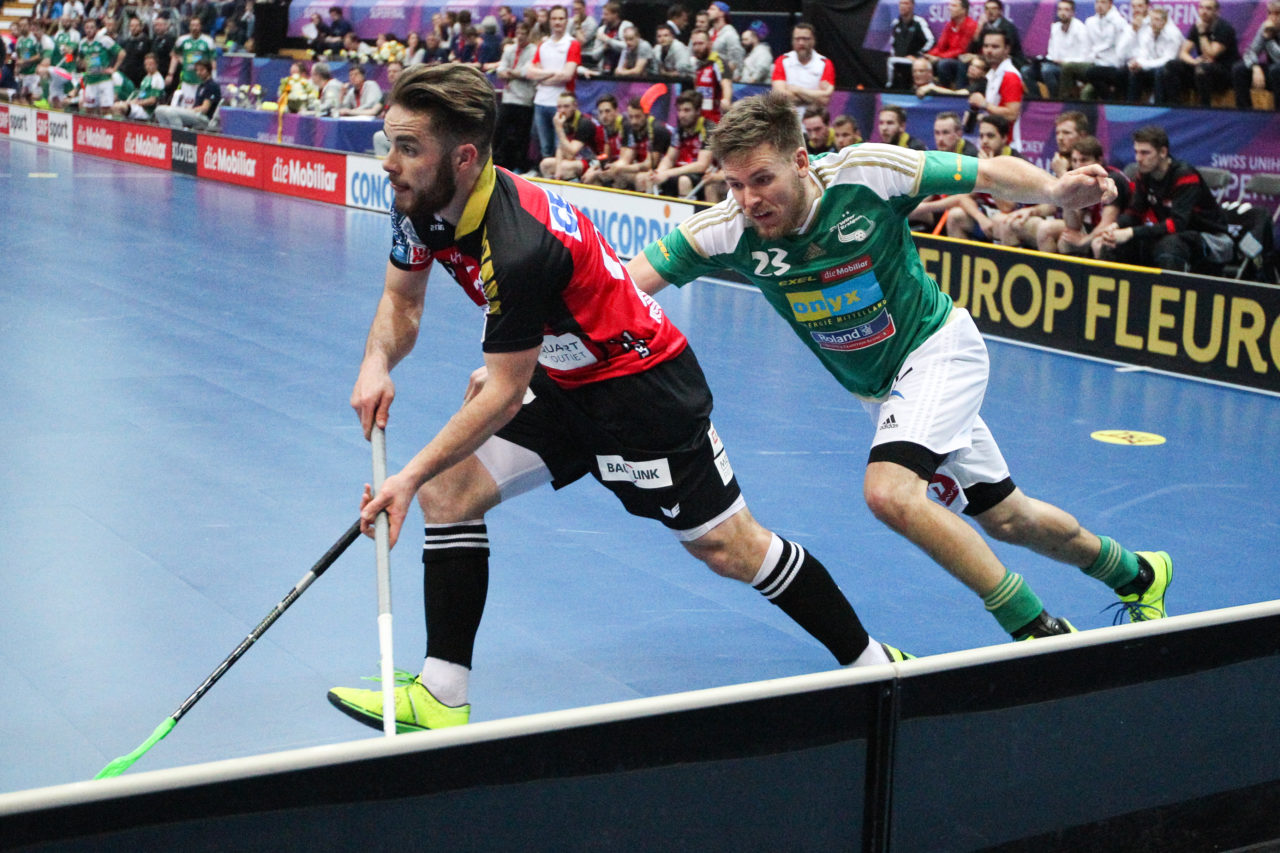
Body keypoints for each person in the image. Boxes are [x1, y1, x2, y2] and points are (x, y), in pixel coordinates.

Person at [326, 65, 908, 733]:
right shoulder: (423, 205)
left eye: (408, 148)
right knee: (451, 491)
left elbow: (504, 394)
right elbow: (402, 300)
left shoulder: (517, 245)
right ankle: (441, 694)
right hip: (562, 374)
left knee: (731, 548)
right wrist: (376, 362)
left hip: (642, 394)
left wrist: (404, 475)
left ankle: (874, 663)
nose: (391, 164)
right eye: (388, 142)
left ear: (462, 158)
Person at [627, 92, 1173, 646]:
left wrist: (1055, 191)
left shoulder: (867, 172)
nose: (749, 199)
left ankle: (1036, 631)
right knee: (1009, 519)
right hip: (884, 393)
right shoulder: (726, 229)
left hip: (938, 351)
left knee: (889, 492)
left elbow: (986, 172)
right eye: (736, 184)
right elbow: (621, 286)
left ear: (800, 161)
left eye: (762, 179)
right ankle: (1138, 573)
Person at [1094, 125, 1232, 274]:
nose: (1138, 159)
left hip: (1212, 239)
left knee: (1169, 245)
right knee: (1114, 244)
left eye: (1145, 153)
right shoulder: (1144, 175)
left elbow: (1176, 224)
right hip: (1177, 236)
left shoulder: (1184, 175)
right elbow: (1134, 214)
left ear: (1163, 152)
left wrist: (1130, 232)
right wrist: (1116, 227)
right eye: (1136, 152)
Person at [1041, 135, 1130, 256]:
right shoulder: (1083, 182)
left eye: (1083, 160)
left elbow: (1107, 223)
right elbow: (1073, 225)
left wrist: (1083, 240)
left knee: (1098, 244)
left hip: (1121, 231)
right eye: (1074, 161)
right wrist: (1065, 185)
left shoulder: (1112, 179)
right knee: (1064, 239)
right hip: (1095, 227)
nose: (1078, 166)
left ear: (1099, 160)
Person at [945, 113, 1022, 242]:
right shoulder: (978, 158)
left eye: (990, 136)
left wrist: (990, 172)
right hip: (989, 214)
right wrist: (980, 218)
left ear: (1004, 138)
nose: (985, 141)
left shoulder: (1015, 163)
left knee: (1001, 221)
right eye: (981, 136)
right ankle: (961, 261)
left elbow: (1007, 207)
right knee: (955, 215)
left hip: (1015, 219)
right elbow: (964, 196)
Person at [1156, 0, 1238, 106]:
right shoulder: (1197, 26)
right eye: (1201, 8)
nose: (1203, 12)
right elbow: (1183, 53)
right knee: (1171, 65)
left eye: (1208, 9)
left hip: (1223, 72)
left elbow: (1211, 54)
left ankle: (1205, 108)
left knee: (1203, 69)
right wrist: (1194, 62)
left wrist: (1202, 33)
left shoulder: (1224, 28)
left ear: (1217, 11)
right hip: (1201, 69)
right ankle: (1174, 105)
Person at [635, 89, 714, 198]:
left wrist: (667, 173)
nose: (682, 115)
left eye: (687, 110)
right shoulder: (679, 129)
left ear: (698, 111)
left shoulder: (708, 129)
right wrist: (658, 172)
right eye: (679, 110)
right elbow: (669, 158)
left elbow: (702, 165)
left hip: (704, 175)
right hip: (681, 171)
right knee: (644, 178)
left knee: (684, 181)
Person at [527, 5, 581, 163]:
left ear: (566, 21)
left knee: (561, 148)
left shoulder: (572, 44)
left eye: (561, 18)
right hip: (541, 101)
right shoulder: (543, 45)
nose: (558, 22)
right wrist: (553, 73)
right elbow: (530, 72)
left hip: (561, 102)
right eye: (554, 18)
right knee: (545, 148)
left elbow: (567, 74)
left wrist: (541, 77)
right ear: (549, 21)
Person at [493, 20, 537, 174]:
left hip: (524, 99)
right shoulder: (510, 49)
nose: (520, 36)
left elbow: (527, 72)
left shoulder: (533, 50)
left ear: (529, 35)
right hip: (508, 97)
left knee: (521, 135)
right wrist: (512, 73)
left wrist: (511, 73)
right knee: (500, 131)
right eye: (518, 33)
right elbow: (500, 69)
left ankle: (519, 165)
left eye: (523, 33)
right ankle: (497, 162)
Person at [967, 30, 1023, 149]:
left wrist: (984, 104)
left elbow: (1012, 114)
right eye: (986, 46)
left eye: (995, 47)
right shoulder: (992, 74)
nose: (989, 51)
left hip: (1007, 147)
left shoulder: (1010, 75)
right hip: (993, 146)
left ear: (1007, 49)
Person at [771, 21, 835, 116]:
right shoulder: (782, 61)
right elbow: (779, 97)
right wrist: (813, 95)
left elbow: (824, 100)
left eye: (805, 39)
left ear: (813, 40)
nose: (801, 43)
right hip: (787, 122)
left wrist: (798, 90)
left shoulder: (825, 63)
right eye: (797, 39)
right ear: (792, 41)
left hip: (814, 124)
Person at [1073, 0, 1132, 100]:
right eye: (1097, 2)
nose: (1099, 6)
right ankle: (1109, 99)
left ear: (1110, 4)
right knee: (1086, 83)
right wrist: (1090, 58)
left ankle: (1110, 100)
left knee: (1090, 73)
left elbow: (1121, 48)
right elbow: (1087, 46)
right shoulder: (1090, 22)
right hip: (1095, 63)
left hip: (1113, 65)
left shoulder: (1119, 22)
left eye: (1103, 2)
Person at [538, 90, 603, 181]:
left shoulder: (584, 123)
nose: (562, 110)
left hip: (596, 160)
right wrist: (558, 169)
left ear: (575, 106)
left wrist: (559, 128)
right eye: (559, 107)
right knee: (545, 164)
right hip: (578, 158)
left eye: (566, 106)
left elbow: (572, 151)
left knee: (566, 168)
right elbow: (560, 148)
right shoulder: (565, 120)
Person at [1126, 6, 1182, 103]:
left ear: (1164, 22)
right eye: (1151, 19)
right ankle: (1131, 105)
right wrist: (1136, 63)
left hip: (1171, 70)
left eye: (1156, 20)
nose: (1153, 23)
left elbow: (1167, 59)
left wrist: (1143, 64)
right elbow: (1143, 54)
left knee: (1160, 72)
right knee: (1135, 72)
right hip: (1152, 67)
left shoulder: (1173, 34)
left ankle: (1158, 105)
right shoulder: (1147, 33)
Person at [1232, 0, 1280, 110]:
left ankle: (1277, 116)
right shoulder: (1266, 27)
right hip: (1273, 72)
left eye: (1277, 13)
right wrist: (1255, 67)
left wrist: (1269, 38)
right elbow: (1251, 51)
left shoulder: (1268, 32)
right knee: (1239, 69)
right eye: (1270, 13)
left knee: (1275, 70)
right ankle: (1244, 113)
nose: (1273, 17)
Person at [153, 57, 220, 128]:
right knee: (159, 110)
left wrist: (189, 110)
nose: (198, 73)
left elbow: (205, 108)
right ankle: (166, 134)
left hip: (203, 118)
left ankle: (178, 136)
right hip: (195, 113)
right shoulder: (201, 86)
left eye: (202, 70)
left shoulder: (212, 86)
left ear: (208, 70)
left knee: (171, 112)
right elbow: (196, 104)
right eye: (197, 70)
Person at [78, 17, 123, 117]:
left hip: (104, 80)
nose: (89, 30)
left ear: (96, 29)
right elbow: (81, 58)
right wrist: (85, 66)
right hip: (90, 81)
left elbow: (121, 53)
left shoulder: (104, 40)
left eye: (92, 27)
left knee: (106, 109)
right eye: (87, 28)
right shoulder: (82, 43)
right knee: (88, 110)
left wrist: (114, 69)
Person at [167, 16, 215, 108]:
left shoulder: (208, 41)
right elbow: (174, 55)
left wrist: (213, 77)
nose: (194, 28)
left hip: (201, 81)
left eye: (197, 25)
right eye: (192, 25)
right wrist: (170, 74)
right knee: (185, 106)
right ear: (189, 27)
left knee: (197, 106)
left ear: (201, 26)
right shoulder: (182, 40)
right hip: (187, 80)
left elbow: (213, 61)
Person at [929, 0, 979, 89]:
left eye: (954, 6)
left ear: (963, 10)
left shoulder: (971, 25)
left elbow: (961, 50)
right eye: (950, 5)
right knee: (923, 62)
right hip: (947, 57)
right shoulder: (949, 25)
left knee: (943, 64)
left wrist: (940, 57)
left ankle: (948, 91)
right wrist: (929, 55)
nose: (949, 8)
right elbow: (940, 46)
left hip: (963, 60)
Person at [886, 0, 935, 90]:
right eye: (901, 3)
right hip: (898, 59)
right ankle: (890, 88)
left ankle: (889, 86)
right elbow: (892, 44)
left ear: (912, 6)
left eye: (906, 3)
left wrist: (918, 55)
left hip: (914, 59)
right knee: (890, 60)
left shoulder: (919, 22)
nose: (902, 6)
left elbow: (931, 40)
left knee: (893, 62)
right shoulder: (896, 23)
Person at [689, 28, 731, 124]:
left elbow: (726, 83)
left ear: (710, 43)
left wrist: (726, 100)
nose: (697, 47)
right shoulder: (695, 64)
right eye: (694, 44)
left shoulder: (717, 62)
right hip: (700, 119)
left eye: (700, 43)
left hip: (715, 119)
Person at [110, 50, 165, 119]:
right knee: (114, 105)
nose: (148, 67)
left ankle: (118, 128)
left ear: (156, 65)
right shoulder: (147, 77)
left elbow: (152, 101)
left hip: (146, 111)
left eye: (151, 64)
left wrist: (135, 103)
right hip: (139, 105)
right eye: (146, 64)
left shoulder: (157, 79)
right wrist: (130, 101)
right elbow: (141, 95)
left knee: (119, 107)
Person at [705, 0, 743, 78]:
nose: (708, 12)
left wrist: (724, 76)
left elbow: (736, 61)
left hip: (723, 77)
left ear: (722, 13)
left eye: (712, 9)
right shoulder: (710, 32)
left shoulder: (730, 34)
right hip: (709, 74)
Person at [118, 15, 151, 85]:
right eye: (132, 26)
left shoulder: (146, 41)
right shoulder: (127, 42)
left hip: (141, 77)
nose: (134, 28)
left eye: (136, 26)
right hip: (128, 77)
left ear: (141, 27)